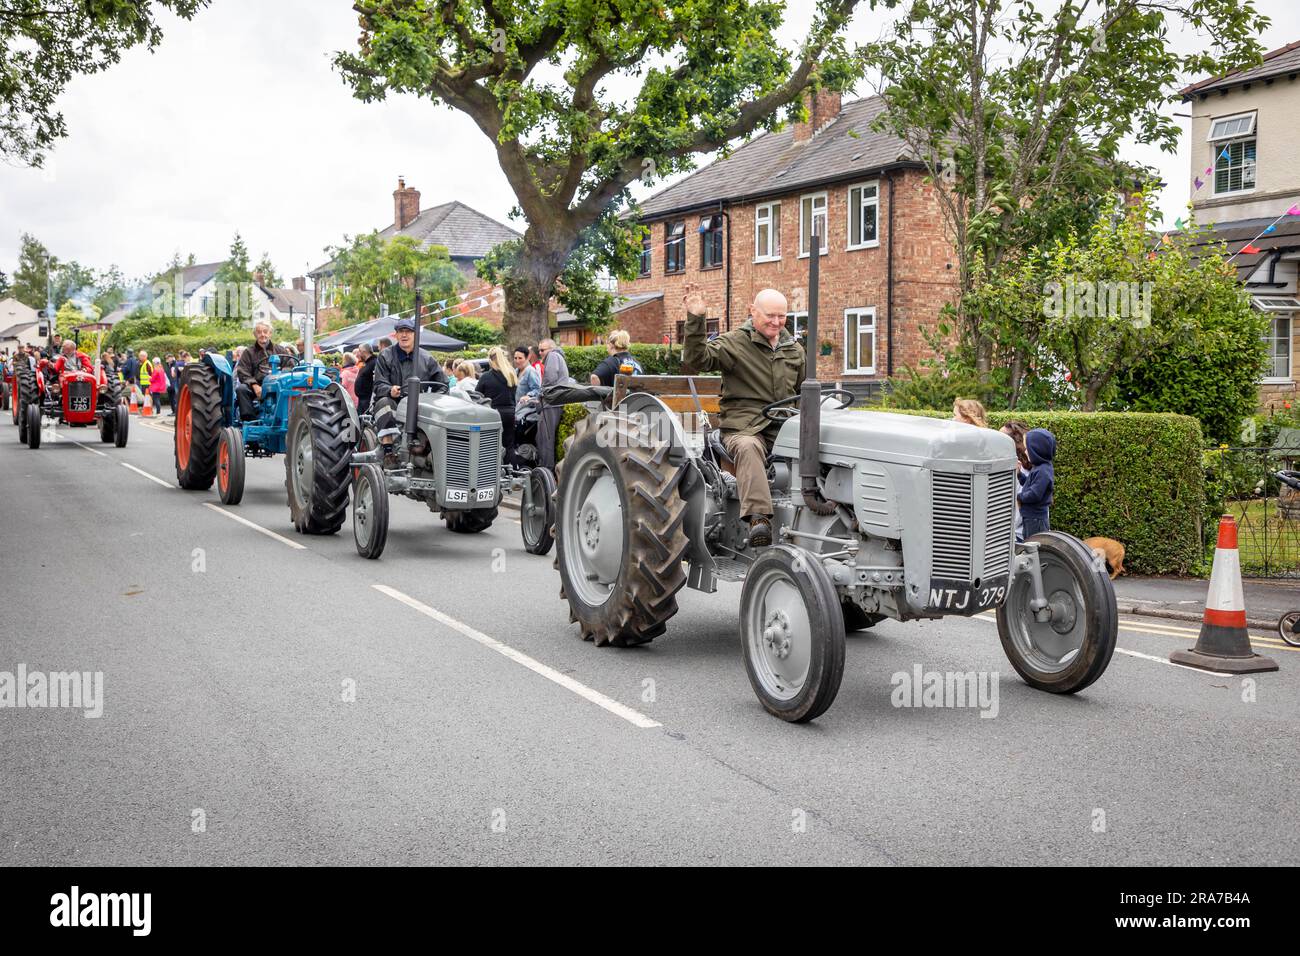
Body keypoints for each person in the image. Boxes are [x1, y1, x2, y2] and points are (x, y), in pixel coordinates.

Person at [681, 282, 804, 547]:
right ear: (752, 311)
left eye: (781, 315)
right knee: (748, 448)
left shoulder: (794, 350)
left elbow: (803, 394)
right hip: (744, 426)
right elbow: (698, 359)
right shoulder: (735, 343)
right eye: (770, 315)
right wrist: (696, 318)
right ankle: (759, 519)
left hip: (784, 426)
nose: (776, 321)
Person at [372, 316, 448, 466]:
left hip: (419, 404)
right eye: (401, 331)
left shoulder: (427, 358)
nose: (404, 335)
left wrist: (433, 399)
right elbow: (379, 384)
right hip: (394, 401)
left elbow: (444, 385)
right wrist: (390, 390)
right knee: (384, 403)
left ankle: (432, 454)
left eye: (408, 331)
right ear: (396, 335)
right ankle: (389, 451)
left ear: (415, 335)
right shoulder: (385, 356)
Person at [235, 320, 297, 420]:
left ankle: (289, 418)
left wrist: (281, 374)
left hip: (278, 384)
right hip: (257, 385)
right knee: (241, 389)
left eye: (265, 331)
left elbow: (291, 366)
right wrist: (254, 385)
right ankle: (250, 421)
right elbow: (243, 371)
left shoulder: (280, 350)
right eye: (259, 332)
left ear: (270, 334)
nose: (262, 334)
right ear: (255, 334)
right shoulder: (248, 352)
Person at [478, 346, 518, 466]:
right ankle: (513, 473)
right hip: (510, 413)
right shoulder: (511, 375)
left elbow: (477, 395)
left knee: (492, 446)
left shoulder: (486, 377)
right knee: (509, 446)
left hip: (493, 414)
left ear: (490, 360)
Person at [536, 338, 572, 471]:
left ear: (551, 348)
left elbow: (550, 379)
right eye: (539, 350)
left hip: (552, 403)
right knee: (546, 439)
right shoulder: (557, 356)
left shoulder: (553, 355)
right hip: (555, 402)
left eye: (542, 350)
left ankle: (545, 473)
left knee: (546, 440)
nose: (540, 352)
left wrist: (541, 394)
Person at [1017, 428, 1056, 539]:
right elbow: (1030, 484)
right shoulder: (1039, 467)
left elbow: (1034, 494)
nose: (1025, 452)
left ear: (1037, 450)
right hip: (1031, 517)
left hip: (1036, 519)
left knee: (1033, 546)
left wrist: (1019, 497)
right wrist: (1019, 474)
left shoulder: (1043, 471)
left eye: (1027, 449)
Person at [354, 343, 376, 410]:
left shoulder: (374, 363)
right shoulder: (367, 363)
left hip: (367, 400)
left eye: (359, 351)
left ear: (364, 351)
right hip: (362, 399)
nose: (358, 354)